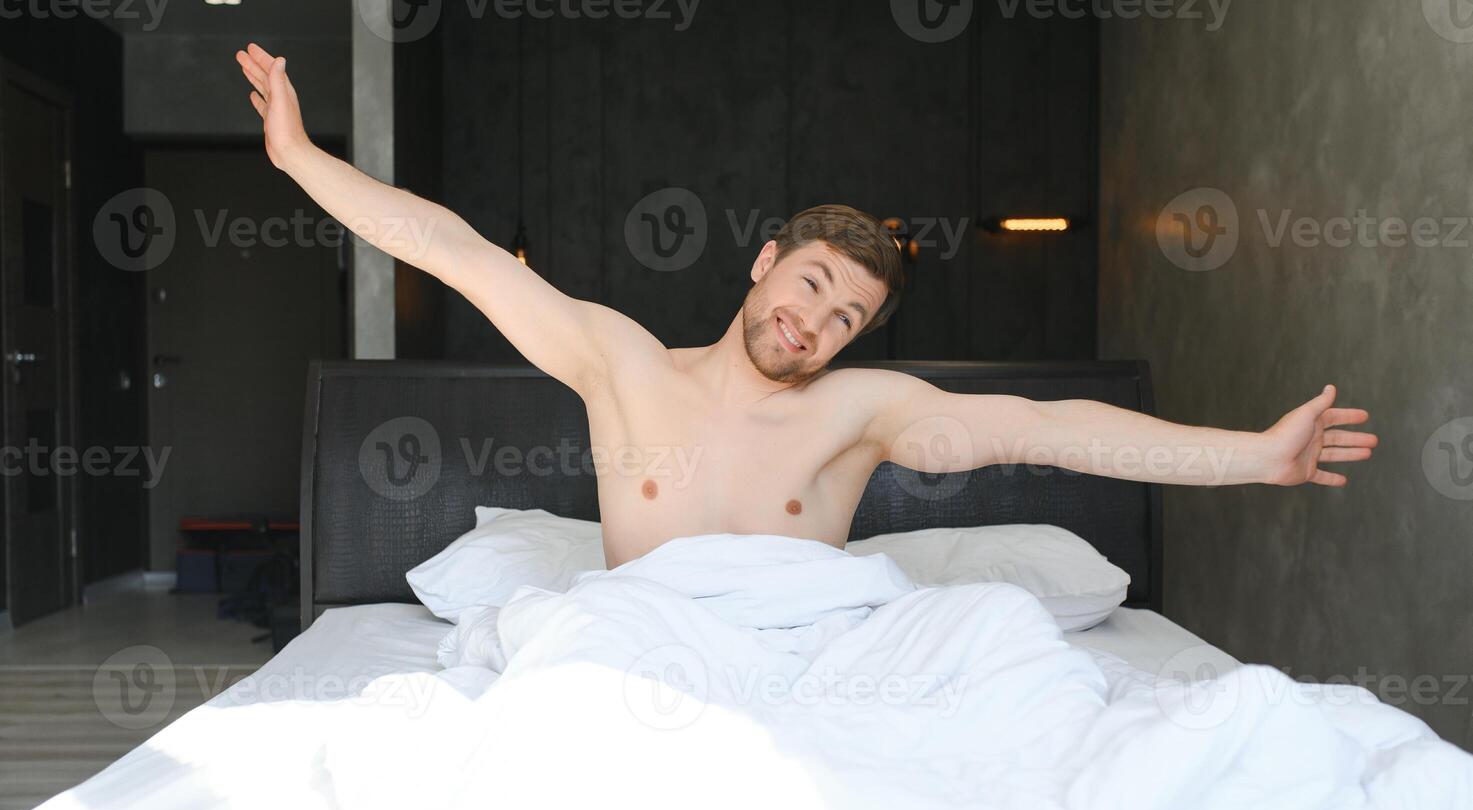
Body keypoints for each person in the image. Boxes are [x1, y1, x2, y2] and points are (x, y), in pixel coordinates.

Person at [235, 43, 1377, 568]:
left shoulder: (861, 411)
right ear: (765, 262)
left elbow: (1053, 428)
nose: (815, 323)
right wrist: (296, 160)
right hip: (643, 677)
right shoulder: (621, 365)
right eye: (813, 285)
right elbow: (459, 251)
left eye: (845, 317)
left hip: (806, 678)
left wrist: (1254, 458)